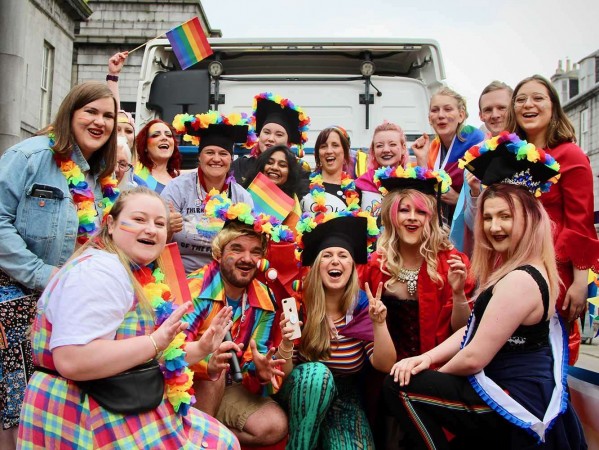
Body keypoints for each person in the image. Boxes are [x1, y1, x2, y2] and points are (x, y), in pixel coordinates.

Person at [383, 134, 586, 449]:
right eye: (488, 217)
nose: (494, 226)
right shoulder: (520, 268)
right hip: (505, 390)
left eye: (506, 216)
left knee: (401, 387)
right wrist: (425, 359)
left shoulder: (520, 279)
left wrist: (430, 382)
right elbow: (472, 327)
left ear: (530, 218)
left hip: (511, 401)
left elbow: (474, 356)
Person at [17, 187, 240, 449]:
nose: (151, 229)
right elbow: (72, 359)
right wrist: (155, 342)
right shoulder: (100, 270)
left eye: (159, 223)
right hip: (83, 413)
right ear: (110, 224)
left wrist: (202, 347)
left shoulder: (130, 270)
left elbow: (148, 357)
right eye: (139, 219)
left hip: (114, 399)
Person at [0, 80, 119, 447]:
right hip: (13, 301)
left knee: (48, 409)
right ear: (70, 113)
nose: (100, 121)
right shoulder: (30, 157)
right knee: (16, 412)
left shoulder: (102, 180)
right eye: (91, 112)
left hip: (63, 309)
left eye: (108, 116)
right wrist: (44, 274)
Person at [360, 166, 474, 447]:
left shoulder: (452, 261)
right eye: (404, 210)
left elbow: (464, 332)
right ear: (391, 215)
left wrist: (459, 294)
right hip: (385, 381)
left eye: (421, 212)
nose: (412, 218)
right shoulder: (375, 266)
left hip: (438, 376)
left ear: (431, 218)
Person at [275, 211, 394, 450]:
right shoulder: (298, 304)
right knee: (317, 375)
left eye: (343, 255)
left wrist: (379, 324)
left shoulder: (362, 306)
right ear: (317, 266)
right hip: (301, 392)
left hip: (344, 398)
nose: (335, 261)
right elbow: (283, 375)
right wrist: (286, 345)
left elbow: (385, 365)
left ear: (351, 266)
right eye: (327, 255)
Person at [184, 193, 291, 447]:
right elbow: (171, 354)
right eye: (237, 249)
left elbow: (250, 364)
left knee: (275, 425)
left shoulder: (264, 299)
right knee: (216, 372)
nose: (247, 259)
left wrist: (261, 371)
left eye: (255, 252)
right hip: (187, 386)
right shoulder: (196, 289)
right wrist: (207, 364)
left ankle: (212, 438)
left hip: (231, 387)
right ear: (219, 254)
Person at [506, 74, 599, 364]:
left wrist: (580, 281)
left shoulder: (570, 155)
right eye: (520, 99)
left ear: (553, 107)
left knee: (553, 347)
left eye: (537, 98)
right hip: (512, 264)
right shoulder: (509, 158)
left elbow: (581, 222)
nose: (528, 105)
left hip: (555, 270)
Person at [165, 112, 254, 274]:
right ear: (199, 157)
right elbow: (156, 241)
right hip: (181, 275)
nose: (216, 158)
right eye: (210, 152)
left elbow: (247, 247)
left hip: (224, 276)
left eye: (223, 154)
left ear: (231, 160)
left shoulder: (242, 197)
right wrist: (168, 229)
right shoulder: (177, 188)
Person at [450, 81, 513, 255]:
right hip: (490, 254)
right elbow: (470, 223)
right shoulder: (476, 156)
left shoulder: (531, 149)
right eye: (488, 110)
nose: (495, 115)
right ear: (481, 116)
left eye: (502, 108)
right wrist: (475, 193)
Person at [412, 87, 485, 225]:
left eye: (448, 109)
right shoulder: (433, 147)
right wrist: (421, 159)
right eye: (435, 110)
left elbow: (489, 193)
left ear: (461, 115)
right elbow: (426, 192)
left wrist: (458, 199)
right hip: (441, 225)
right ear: (429, 118)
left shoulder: (477, 142)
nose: (440, 115)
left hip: (471, 227)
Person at [232, 92, 310, 185]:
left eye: (279, 134)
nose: (271, 138)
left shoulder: (298, 172)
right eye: (266, 132)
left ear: (288, 142)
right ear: (259, 135)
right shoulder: (240, 166)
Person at [301, 126, 361, 214]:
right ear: (318, 154)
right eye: (323, 146)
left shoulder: (356, 191)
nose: (329, 151)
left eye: (335, 145)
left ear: (345, 152)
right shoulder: (302, 184)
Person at [355, 121, 409, 217]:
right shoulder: (361, 183)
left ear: (403, 148)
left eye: (392, 144)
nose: (386, 150)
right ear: (373, 150)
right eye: (379, 145)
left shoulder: (412, 182)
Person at [134, 119, 181, 193]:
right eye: (156, 135)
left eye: (168, 135)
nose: (164, 138)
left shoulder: (179, 178)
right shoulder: (135, 171)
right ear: (145, 146)